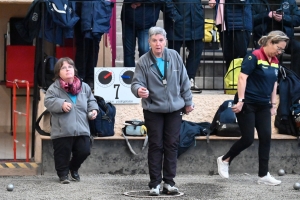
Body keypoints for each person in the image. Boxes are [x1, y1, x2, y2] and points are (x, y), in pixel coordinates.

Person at [217, 30, 289, 185]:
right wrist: (241, 100)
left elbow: (273, 83)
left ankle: (263, 176)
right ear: (270, 42)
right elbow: (242, 77)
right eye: (279, 48)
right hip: (248, 102)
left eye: (282, 50)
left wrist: (273, 105)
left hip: (263, 104)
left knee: (266, 138)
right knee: (248, 138)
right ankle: (224, 160)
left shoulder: (275, 60)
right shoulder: (254, 56)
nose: (280, 51)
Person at [131, 27, 194, 196]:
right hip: (153, 110)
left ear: (165, 41)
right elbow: (135, 83)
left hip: (174, 108)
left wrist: (188, 102)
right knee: (156, 145)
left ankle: (169, 183)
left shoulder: (174, 56)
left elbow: (184, 81)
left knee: (172, 145)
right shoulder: (143, 61)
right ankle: (155, 184)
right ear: (149, 42)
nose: (158, 44)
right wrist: (139, 91)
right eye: (154, 40)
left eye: (160, 40)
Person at [44, 57, 99, 184]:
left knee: (84, 150)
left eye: (70, 67)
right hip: (62, 129)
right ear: (58, 73)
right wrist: (61, 104)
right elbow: (48, 101)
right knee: (62, 154)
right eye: (63, 67)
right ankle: (63, 175)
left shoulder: (84, 87)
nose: (68, 69)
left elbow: (91, 100)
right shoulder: (54, 88)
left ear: (74, 70)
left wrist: (94, 109)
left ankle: (73, 168)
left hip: (82, 127)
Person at [121, 0, 181, 67]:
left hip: (146, 22)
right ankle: (129, 76)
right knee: (129, 53)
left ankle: (144, 74)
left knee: (144, 50)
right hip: (129, 19)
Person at [252, 0, 300, 76]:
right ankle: (265, 79)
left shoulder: (290, 1)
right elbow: (250, 19)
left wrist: (284, 18)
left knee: (298, 47)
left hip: (285, 39)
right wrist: (267, 15)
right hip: (265, 39)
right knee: (261, 52)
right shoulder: (256, 1)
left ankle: (294, 79)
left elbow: (298, 19)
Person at [164, 0, 204, 91]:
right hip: (176, 21)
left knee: (197, 48)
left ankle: (189, 79)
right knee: (173, 54)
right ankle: (174, 81)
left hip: (195, 20)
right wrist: (174, 15)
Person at [209, 0, 252, 70]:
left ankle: (240, 80)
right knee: (228, 58)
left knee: (240, 58)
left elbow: (242, 2)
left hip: (240, 25)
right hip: (225, 25)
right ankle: (230, 80)